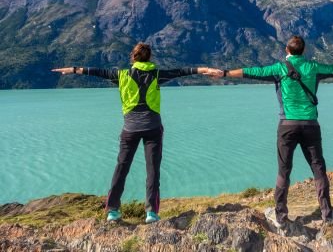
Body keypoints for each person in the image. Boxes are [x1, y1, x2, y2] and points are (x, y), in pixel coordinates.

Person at [210, 35, 333, 228]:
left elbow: (252, 71)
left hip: (287, 126)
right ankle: (327, 214)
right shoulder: (313, 67)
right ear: (304, 50)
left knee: (284, 171)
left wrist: (224, 73)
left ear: (287, 50)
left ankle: (281, 216)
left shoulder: (279, 68)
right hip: (311, 125)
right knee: (318, 169)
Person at [52, 42, 221, 223]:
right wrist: (204, 69)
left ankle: (113, 210)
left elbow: (97, 72)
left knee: (121, 168)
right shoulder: (156, 74)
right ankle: (151, 213)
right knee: (153, 170)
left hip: (129, 130)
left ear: (133, 57)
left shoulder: (122, 75)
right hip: (153, 129)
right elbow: (181, 71)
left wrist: (73, 69)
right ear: (149, 57)